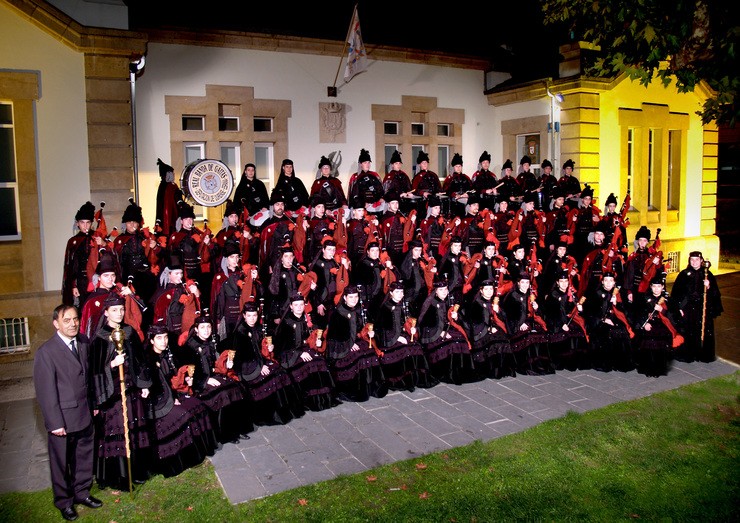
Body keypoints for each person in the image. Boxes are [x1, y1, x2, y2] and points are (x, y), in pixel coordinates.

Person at [34, 304, 102, 521]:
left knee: (83, 457)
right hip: (62, 419)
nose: (73, 324)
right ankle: (64, 502)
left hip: (84, 414)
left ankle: (82, 493)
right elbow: (46, 392)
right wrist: (55, 423)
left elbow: (87, 377)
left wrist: (93, 404)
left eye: (75, 319)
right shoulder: (46, 352)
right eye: (67, 320)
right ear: (56, 324)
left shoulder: (83, 342)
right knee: (61, 462)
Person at [89, 293, 153, 490]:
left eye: (121, 309)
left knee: (134, 429)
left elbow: (141, 361)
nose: (119, 313)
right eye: (114, 310)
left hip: (132, 388)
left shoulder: (130, 331)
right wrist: (112, 364)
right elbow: (95, 371)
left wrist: (143, 385)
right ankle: (120, 476)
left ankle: (138, 470)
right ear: (106, 312)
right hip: (112, 393)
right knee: (118, 430)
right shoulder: (100, 338)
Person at [144, 323, 218, 476]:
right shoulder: (149, 359)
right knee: (183, 414)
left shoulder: (169, 353)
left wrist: (186, 381)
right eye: (159, 338)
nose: (163, 341)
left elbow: (175, 375)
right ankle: (188, 458)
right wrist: (171, 399)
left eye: (165, 338)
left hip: (174, 394)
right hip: (159, 402)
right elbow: (156, 387)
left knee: (199, 406)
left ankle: (203, 450)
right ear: (151, 341)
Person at [178, 314, 250, 442]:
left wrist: (226, 364)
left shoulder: (213, 341)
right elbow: (189, 373)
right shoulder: (189, 347)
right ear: (196, 329)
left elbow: (217, 362)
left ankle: (237, 429)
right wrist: (205, 381)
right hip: (199, 384)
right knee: (223, 394)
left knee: (236, 387)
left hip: (215, 375)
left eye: (208, 327)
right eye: (202, 327)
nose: (206, 330)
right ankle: (225, 434)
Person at [230, 301, 304, 425]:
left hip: (261, 361)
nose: (252, 318)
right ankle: (271, 415)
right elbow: (241, 358)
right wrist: (259, 367)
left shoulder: (259, 329)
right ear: (244, 316)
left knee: (281, 373)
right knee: (270, 378)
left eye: (254, 315)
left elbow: (262, 348)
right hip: (248, 367)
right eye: (249, 316)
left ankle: (286, 411)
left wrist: (269, 348)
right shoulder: (240, 333)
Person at [272, 293, 335, 411]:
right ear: (291, 306)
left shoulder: (305, 319)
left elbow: (307, 338)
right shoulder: (286, 323)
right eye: (296, 305)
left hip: (304, 349)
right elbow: (281, 347)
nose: (299, 307)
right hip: (289, 354)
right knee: (309, 365)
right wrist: (299, 353)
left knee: (320, 361)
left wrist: (315, 341)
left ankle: (322, 399)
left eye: (301, 304)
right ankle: (310, 400)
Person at [324, 285, 388, 401]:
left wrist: (367, 333)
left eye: (356, 297)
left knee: (370, 353)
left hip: (355, 341)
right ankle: (358, 391)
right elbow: (333, 336)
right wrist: (349, 344)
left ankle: (372, 388)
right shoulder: (337, 313)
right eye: (351, 297)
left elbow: (358, 330)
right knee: (359, 358)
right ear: (345, 298)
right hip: (340, 347)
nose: (354, 300)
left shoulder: (356, 310)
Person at [375, 282, 435, 391]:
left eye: (401, 292)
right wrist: (397, 338)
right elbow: (382, 329)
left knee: (416, 347)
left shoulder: (402, 305)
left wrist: (410, 328)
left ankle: (418, 378)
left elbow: (403, 323)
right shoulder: (386, 307)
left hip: (401, 334)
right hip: (388, 339)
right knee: (405, 350)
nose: (400, 294)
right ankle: (405, 380)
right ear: (391, 293)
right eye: (397, 292)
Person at [417, 280, 476, 384]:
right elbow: (424, 324)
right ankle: (450, 373)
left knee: (461, 339)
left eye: (445, 289)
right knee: (452, 344)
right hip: (432, 334)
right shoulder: (430, 303)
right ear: (436, 291)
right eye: (441, 290)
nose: (444, 292)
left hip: (448, 329)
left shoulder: (449, 301)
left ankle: (461, 371)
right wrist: (440, 333)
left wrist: (455, 317)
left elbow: (451, 319)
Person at [670, 251, 723, 363]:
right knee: (688, 330)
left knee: (702, 330)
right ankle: (688, 354)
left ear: (701, 261)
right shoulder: (684, 274)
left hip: (702, 308)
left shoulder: (708, 274)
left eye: (697, 260)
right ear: (689, 261)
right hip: (688, 308)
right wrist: (679, 308)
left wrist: (709, 286)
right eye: (692, 260)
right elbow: (676, 293)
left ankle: (703, 354)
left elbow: (715, 294)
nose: (694, 262)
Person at [62, 201, 105, 308]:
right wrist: (74, 286)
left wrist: (103, 244)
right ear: (77, 223)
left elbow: (107, 260)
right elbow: (69, 267)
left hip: (97, 279)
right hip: (80, 282)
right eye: (82, 222)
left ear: (91, 223)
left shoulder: (98, 239)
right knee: (83, 308)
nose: (85, 226)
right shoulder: (72, 242)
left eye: (88, 222)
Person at [348, 148, 385, 216]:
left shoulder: (375, 175)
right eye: (365, 163)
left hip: (377, 207)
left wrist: (381, 198)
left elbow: (381, 190)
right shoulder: (355, 177)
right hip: (362, 209)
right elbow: (353, 196)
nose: (367, 165)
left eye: (369, 162)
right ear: (360, 164)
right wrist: (363, 204)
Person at [155, 158, 183, 237]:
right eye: (170, 173)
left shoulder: (173, 186)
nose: (172, 175)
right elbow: (160, 203)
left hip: (174, 212)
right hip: (165, 214)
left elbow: (177, 196)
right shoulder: (162, 187)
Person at [382, 150, 414, 215]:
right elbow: (386, 193)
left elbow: (409, 187)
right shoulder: (389, 177)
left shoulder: (404, 175)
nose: (398, 165)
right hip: (393, 206)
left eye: (399, 163)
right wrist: (399, 195)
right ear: (392, 165)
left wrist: (409, 192)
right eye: (396, 163)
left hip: (405, 204)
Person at [443, 152, 473, 218]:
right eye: (456, 166)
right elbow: (446, 190)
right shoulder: (449, 178)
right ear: (453, 167)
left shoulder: (466, 177)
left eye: (459, 166)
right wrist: (455, 195)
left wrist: (468, 194)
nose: (458, 168)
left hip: (466, 199)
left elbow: (472, 189)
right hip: (454, 202)